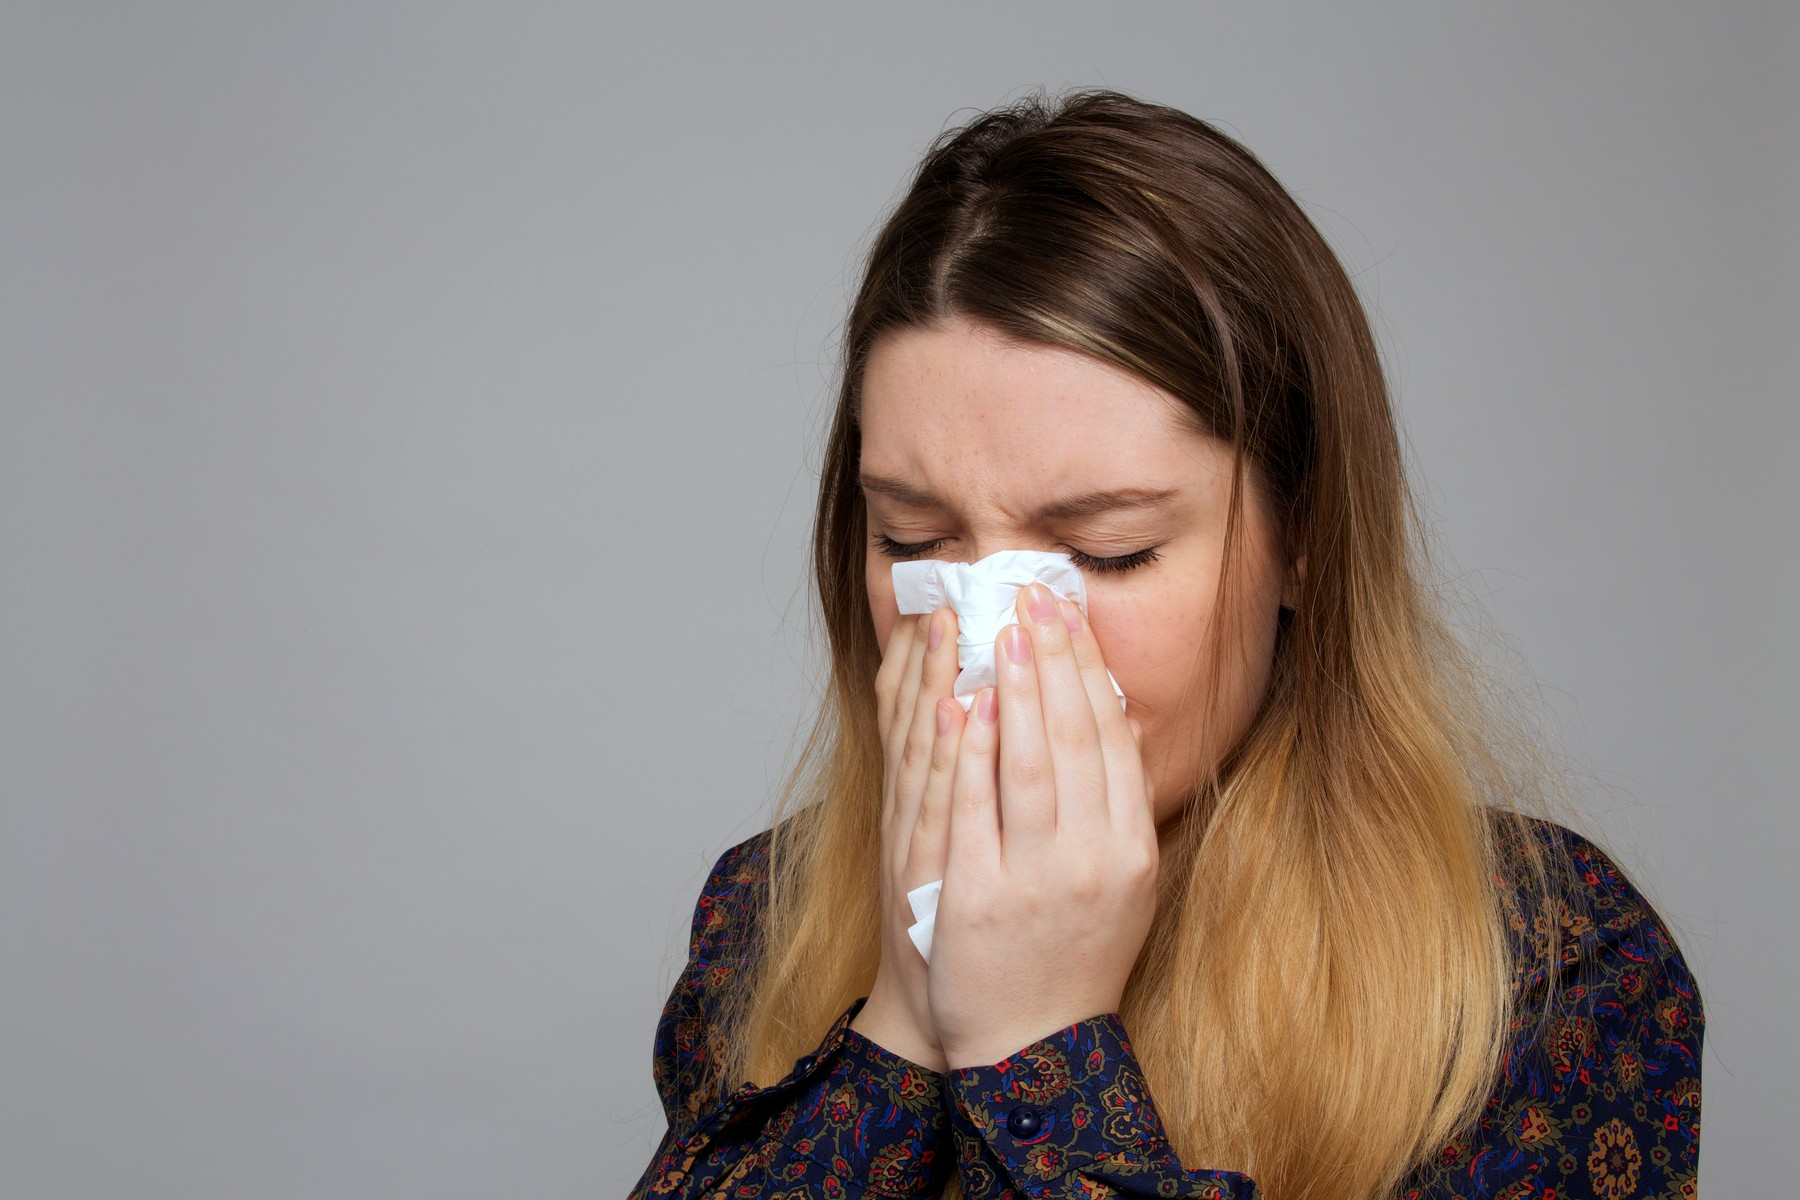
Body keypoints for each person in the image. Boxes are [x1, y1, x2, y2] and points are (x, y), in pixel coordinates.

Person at [629, 91, 1702, 1200]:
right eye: (915, 538)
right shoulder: (766, 912)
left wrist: (1035, 1052)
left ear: (1306, 541)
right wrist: (904, 1011)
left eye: (1107, 551)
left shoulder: (1546, 970)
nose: (989, 639)